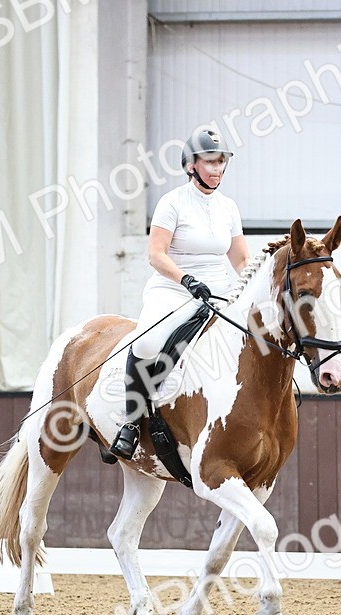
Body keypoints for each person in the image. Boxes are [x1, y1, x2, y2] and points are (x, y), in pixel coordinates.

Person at [109, 127, 250, 459]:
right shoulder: (172, 203)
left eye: (221, 162)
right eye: (210, 162)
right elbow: (156, 254)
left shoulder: (229, 207)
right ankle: (131, 421)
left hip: (218, 292)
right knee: (145, 342)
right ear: (191, 165)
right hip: (174, 289)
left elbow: (241, 259)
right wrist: (186, 280)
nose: (217, 170)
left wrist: (250, 288)